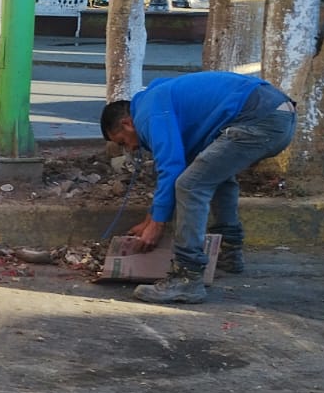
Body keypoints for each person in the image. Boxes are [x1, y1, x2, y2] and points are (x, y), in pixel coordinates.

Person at [101, 72, 297, 305]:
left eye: (123, 141)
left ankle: (188, 277)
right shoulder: (158, 98)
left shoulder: (146, 114)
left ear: (127, 123)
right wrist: (151, 216)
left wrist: (157, 224)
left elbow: (172, 169)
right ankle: (230, 252)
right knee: (215, 177)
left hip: (258, 118)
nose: (130, 149)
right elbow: (180, 164)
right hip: (277, 113)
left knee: (190, 186)